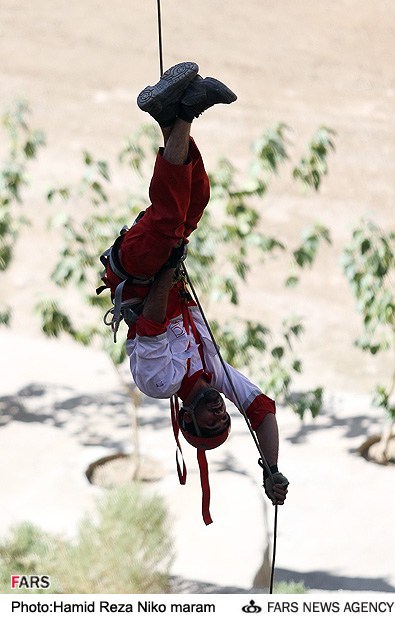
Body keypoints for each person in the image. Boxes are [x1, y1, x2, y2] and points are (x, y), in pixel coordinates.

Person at [103, 61, 289, 524]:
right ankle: (171, 116)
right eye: (224, 418)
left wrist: (169, 265)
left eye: (210, 423)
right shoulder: (216, 373)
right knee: (196, 198)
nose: (219, 412)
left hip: (144, 272)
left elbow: (150, 320)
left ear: (186, 419)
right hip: (165, 265)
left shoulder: (159, 382)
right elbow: (261, 409)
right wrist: (271, 466)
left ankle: (182, 115)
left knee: (170, 220)